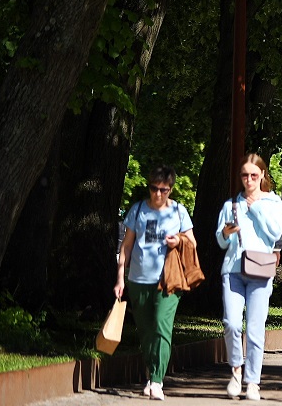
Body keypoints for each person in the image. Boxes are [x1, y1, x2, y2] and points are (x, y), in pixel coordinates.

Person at [114, 166, 196, 401]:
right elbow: (126, 246)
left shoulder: (179, 212)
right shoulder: (138, 210)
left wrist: (177, 240)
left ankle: (157, 381)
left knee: (162, 326)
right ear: (149, 187)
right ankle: (151, 374)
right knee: (147, 332)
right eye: (154, 189)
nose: (158, 194)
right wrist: (120, 277)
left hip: (169, 280)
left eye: (164, 190)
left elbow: (192, 243)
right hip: (138, 279)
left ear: (170, 189)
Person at [215, 154, 282, 401]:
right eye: (245, 175)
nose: (249, 180)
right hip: (233, 270)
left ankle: (253, 381)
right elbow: (221, 241)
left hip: (260, 271)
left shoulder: (273, 202)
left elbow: (276, 232)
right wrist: (225, 232)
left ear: (263, 175)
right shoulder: (230, 205)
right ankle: (236, 371)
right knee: (232, 323)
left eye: (254, 175)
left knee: (255, 329)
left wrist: (254, 209)